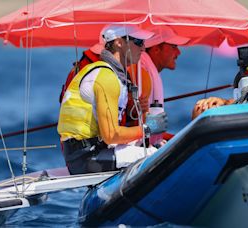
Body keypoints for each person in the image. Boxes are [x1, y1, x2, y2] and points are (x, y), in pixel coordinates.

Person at [57, 25, 168, 175]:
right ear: (119, 43)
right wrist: (148, 128)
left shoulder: (113, 76)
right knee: (160, 156)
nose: (143, 48)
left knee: (157, 149)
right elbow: (111, 135)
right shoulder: (106, 76)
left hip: (94, 151)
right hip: (86, 158)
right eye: (138, 42)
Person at [127, 26, 190, 145]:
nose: (178, 52)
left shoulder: (143, 69)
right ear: (156, 49)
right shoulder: (140, 73)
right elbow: (142, 127)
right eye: (174, 46)